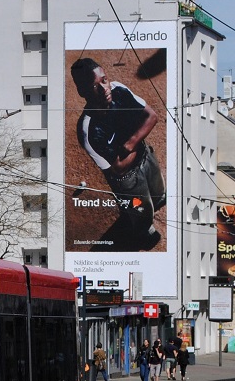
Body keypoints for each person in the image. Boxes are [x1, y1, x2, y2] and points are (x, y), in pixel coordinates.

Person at [70, 58, 166, 250]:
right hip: (128, 181)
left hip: (145, 156)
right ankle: (142, 229)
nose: (104, 88)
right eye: (95, 86)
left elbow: (152, 116)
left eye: (104, 80)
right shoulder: (88, 130)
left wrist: (131, 144)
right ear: (83, 92)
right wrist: (139, 138)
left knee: (159, 194)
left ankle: (151, 203)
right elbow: (117, 168)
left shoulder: (119, 90)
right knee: (140, 214)